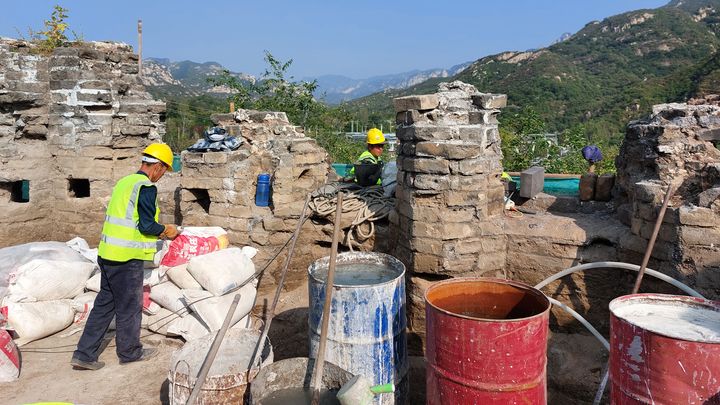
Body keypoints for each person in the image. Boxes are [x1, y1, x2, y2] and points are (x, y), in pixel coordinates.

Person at [71, 143, 180, 370]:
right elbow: (147, 225)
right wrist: (166, 230)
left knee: (104, 304)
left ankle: (84, 354)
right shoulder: (146, 187)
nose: (161, 176)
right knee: (130, 307)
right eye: (164, 170)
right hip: (126, 257)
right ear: (158, 167)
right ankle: (130, 353)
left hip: (107, 253)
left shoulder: (125, 182)